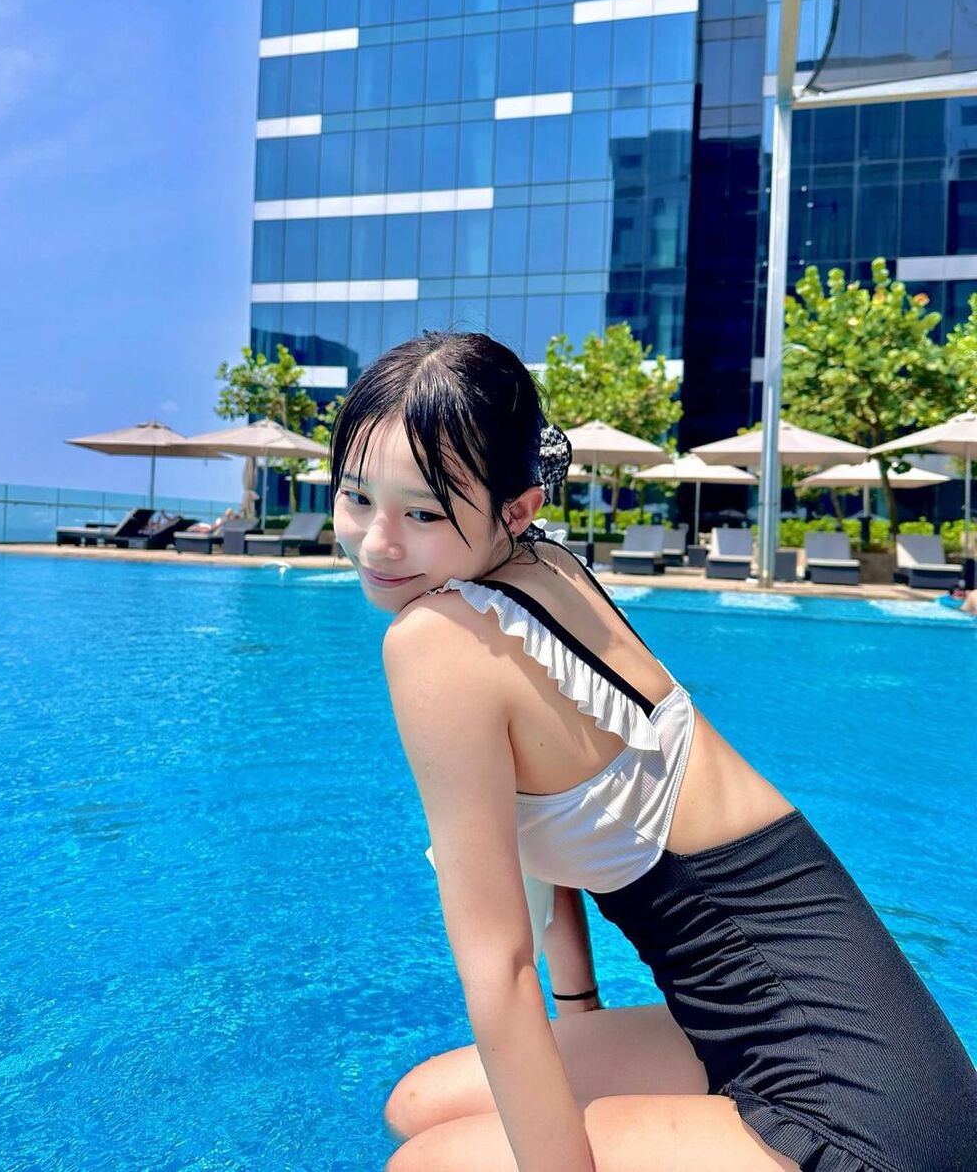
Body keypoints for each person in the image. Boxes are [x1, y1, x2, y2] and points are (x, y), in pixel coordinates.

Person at [328, 331, 977, 1172]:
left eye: (421, 512)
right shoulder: (546, 567)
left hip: (859, 1124)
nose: (377, 542)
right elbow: (541, 833)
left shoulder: (435, 640)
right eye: (356, 496)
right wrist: (582, 1008)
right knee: (416, 1104)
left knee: (424, 1164)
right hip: (879, 1062)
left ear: (516, 508)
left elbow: (500, 968)